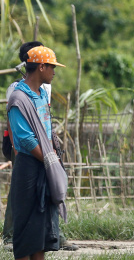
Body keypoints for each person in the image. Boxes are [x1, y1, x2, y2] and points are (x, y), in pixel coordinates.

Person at [2, 42, 78, 252]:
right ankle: (10, 237)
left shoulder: (43, 94)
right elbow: (25, 139)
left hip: (44, 160)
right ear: (41, 67)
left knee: (40, 232)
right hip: (29, 162)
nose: (54, 71)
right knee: (26, 223)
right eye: (52, 66)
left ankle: (53, 237)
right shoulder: (18, 96)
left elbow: (45, 127)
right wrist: (49, 158)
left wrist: (51, 155)